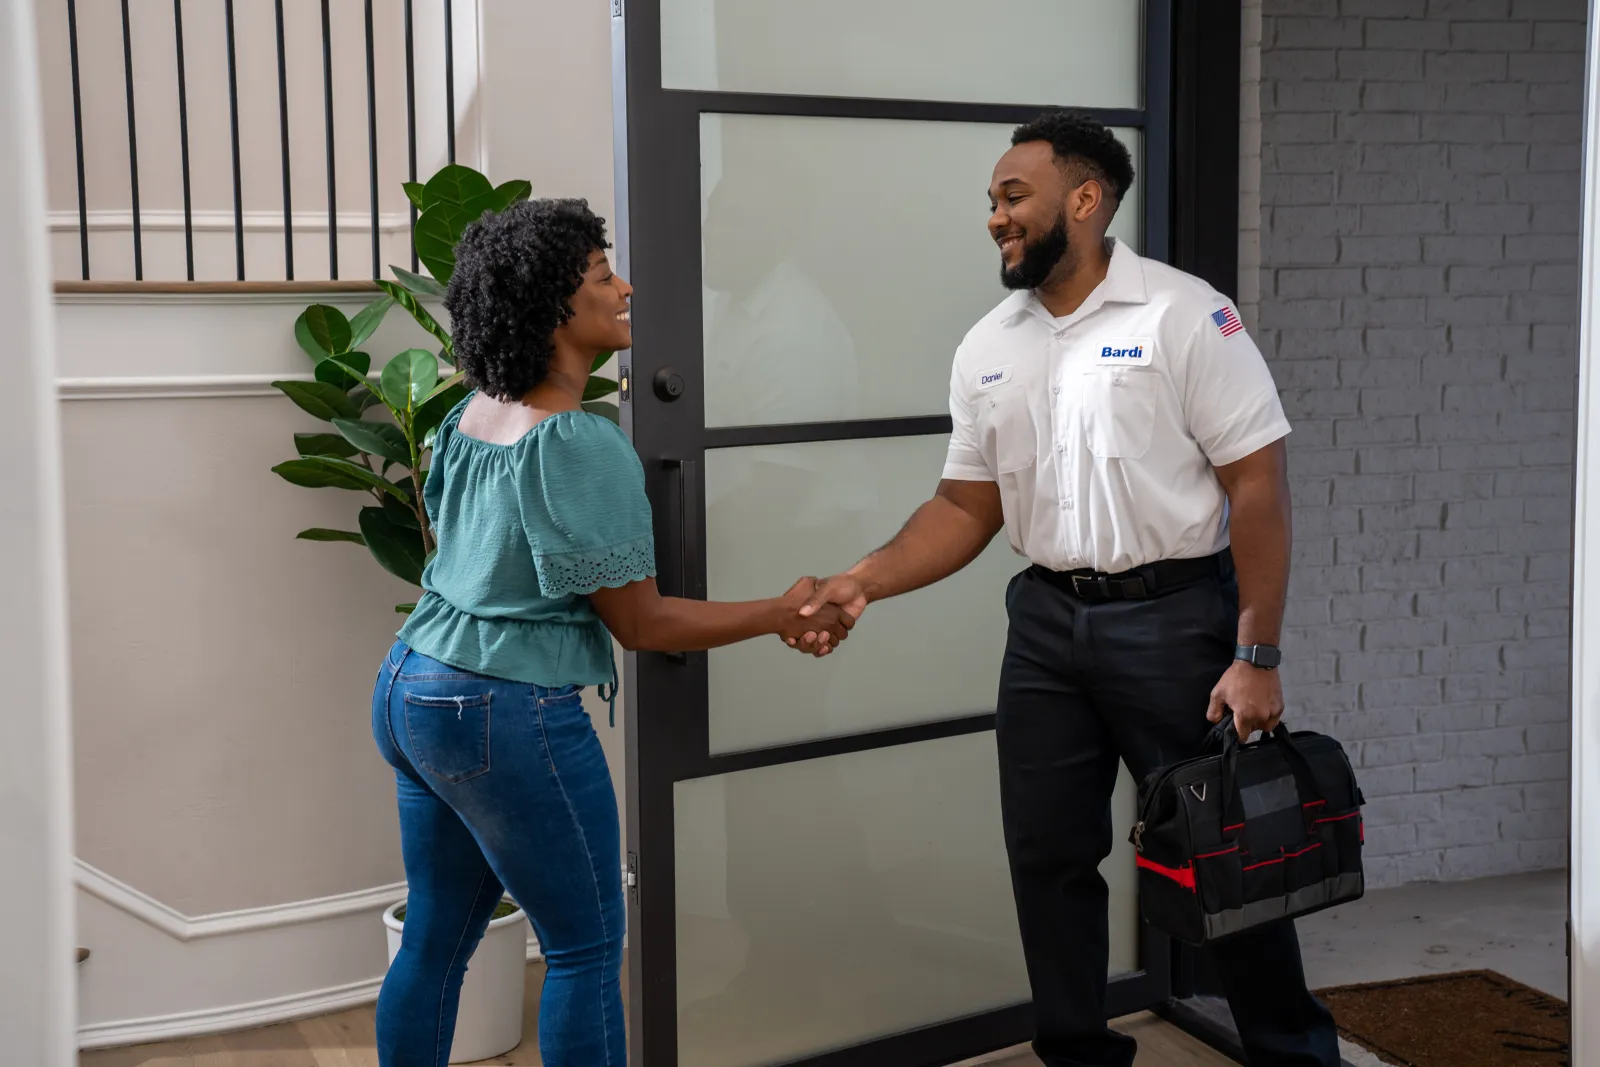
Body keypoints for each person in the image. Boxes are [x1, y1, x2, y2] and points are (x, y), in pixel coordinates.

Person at [791, 111, 1341, 1067]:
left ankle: (1295, 1055)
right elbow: (965, 507)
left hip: (1175, 620)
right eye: (992, 202)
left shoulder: (1183, 315)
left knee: (1228, 855)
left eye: (1013, 196)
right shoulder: (989, 345)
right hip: (1046, 625)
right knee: (1048, 861)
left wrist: (1256, 653)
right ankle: (1079, 1055)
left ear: (1085, 200)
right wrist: (863, 579)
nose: (996, 218)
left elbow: (1258, 483)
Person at [370, 198, 851, 1067]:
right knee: (586, 949)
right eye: (602, 277)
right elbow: (642, 621)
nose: (626, 288)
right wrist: (780, 611)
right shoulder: (578, 444)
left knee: (436, 940)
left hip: (413, 683)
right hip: (502, 707)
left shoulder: (468, 416)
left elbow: (469, 562)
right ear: (554, 305)